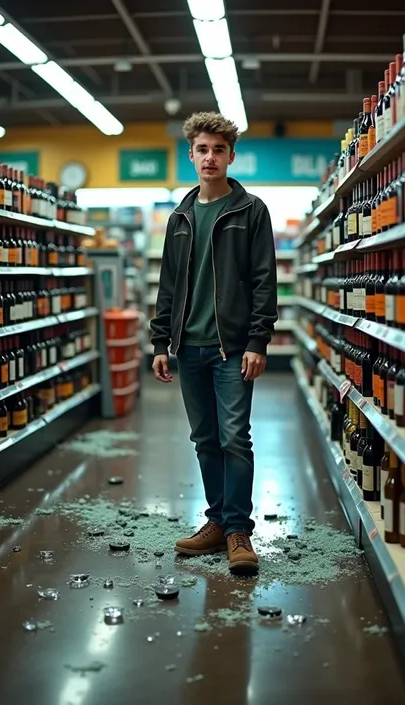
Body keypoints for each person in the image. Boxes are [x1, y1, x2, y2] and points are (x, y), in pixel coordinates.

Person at [150, 111, 277, 573]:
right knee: (204, 439)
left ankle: (239, 529)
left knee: (233, 438)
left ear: (230, 156)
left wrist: (258, 340)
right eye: (202, 149)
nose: (210, 157)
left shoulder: (250, 211)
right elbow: (168, 285)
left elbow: (264, 280)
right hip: (188, 348)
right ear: (191, 154)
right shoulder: (180, 217)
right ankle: (218, 522)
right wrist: (160, 342)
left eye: (218, 150)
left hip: (231, 348)